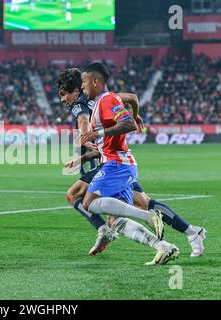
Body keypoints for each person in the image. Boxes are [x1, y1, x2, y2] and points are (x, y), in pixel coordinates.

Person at [59, 69, 206, 258]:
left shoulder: (80, 103)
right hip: (118, 159)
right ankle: (190, 233)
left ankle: (104, 230)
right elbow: (133, 98)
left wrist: (85, 135)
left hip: (114, 163)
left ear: (77, 90)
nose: (63, 100)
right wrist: (135, 115)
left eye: (64, 94)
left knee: (75, 195)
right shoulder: (107, 97)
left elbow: (83, 120)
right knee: (142, 204)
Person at [79, 63, 180, 265]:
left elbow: (129, 124)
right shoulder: (102, 102)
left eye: (84, 82)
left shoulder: (106, 100)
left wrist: (97, 133)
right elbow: (132, 100)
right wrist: (85, 157)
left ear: (95, 81)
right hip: (119, 164)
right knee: (114, 221)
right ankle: (164, 247)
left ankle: (148, 215)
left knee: (88, 203)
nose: (82, 87)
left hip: (117, 165)